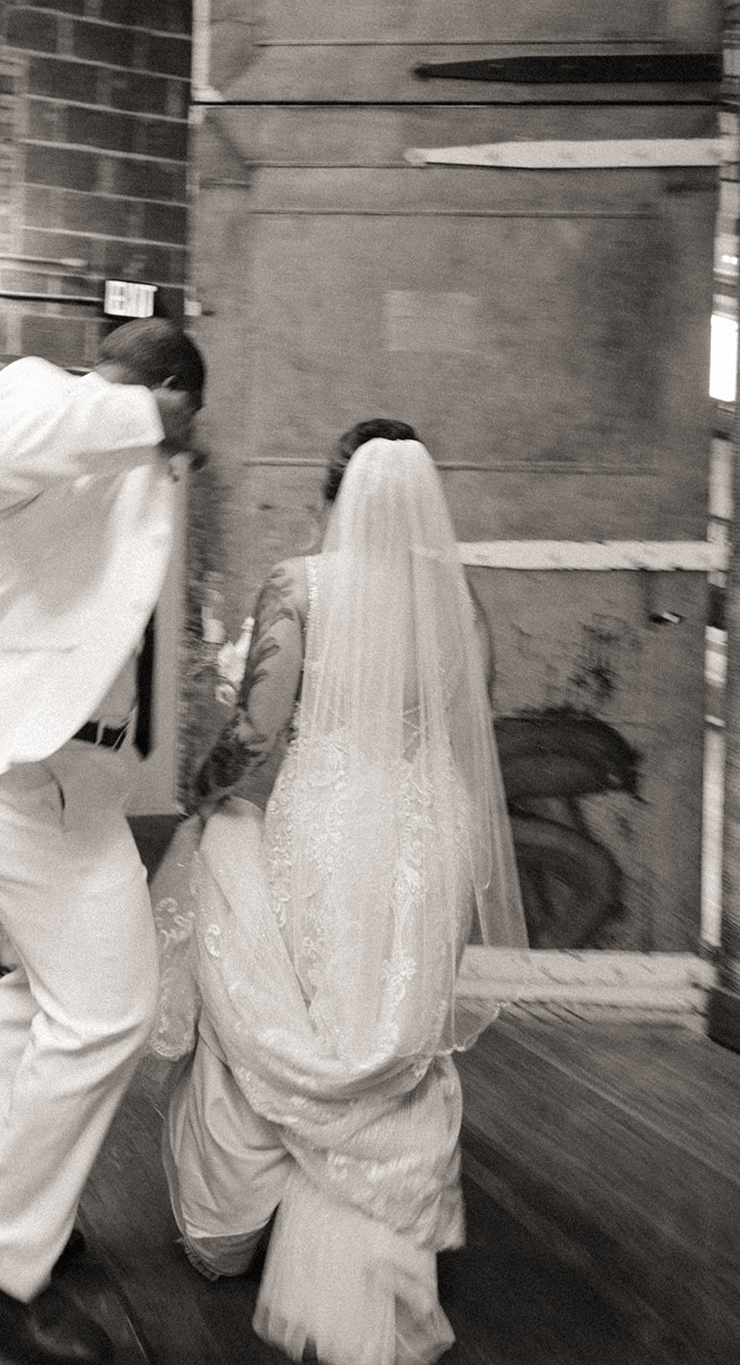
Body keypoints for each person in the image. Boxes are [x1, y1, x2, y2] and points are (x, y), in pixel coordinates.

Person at [156, 420, 527, 1365]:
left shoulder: (301, 584)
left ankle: (239, 1220)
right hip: (425, 831)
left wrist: (198, 797)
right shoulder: (456, 596)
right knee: (389, 1026)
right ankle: (380, 1219)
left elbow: (255, 734)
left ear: (335, 495)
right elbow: (468, 722)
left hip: (325, 823)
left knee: (297, 1006)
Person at [0, 317, 205, 1365]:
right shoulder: (42, 394)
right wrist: (140, 415)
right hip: (11, 768)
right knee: (110, 1013)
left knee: (38, 996)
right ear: (168, 388)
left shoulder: (121, 455)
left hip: (71, 775)